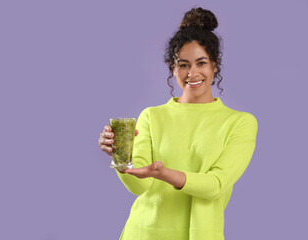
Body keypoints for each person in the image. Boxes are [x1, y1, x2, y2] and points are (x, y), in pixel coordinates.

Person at [98, 7, 258, 240]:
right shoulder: (152, 116)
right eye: (183, 65)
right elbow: (139, 186)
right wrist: (121, 157)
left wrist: (164, 173)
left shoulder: (239, 123)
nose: (192, 73)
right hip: (143, 233)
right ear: (173, 69)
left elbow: (215, 184)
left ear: (214, 64)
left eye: (201, 63)